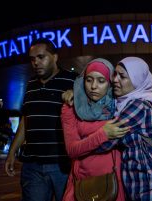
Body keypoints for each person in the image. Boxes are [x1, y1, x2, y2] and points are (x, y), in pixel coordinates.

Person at [97, 57, 152, 200]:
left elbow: (105, 142)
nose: (115, 80)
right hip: (142, 181)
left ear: (137, 80)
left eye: (122, 76)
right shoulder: (123, 104)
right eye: (115, 74)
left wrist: (78, 141)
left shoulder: (137, 106)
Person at [4, 38, 78, 201]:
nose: (36, 62)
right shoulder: (30, 84)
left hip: (63, 165)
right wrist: (11, 152)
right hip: (33, 165)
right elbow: (26, 120)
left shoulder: (73, 80)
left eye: (41, 57)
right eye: (32, 59)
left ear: (55, 57)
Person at [60, 58, 129, 201]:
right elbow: (72, 150)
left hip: (113, 183)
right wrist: (103, 134)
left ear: (110, 83)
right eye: (89, 80)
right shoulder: (71, 106)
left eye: (101, 81)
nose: (93, 86)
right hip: (83, 183)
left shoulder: (120, 105)